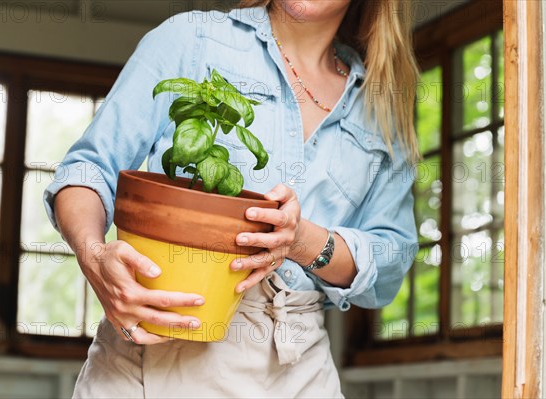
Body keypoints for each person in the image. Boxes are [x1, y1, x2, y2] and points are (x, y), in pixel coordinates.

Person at [44, 0, 420, 397]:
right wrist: (94, 256)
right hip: (160, 347)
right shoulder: (191, 38)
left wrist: (303, 241)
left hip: (300, 370)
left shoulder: (384, 108)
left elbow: (391, 258)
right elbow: (87, 169)